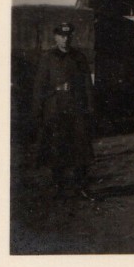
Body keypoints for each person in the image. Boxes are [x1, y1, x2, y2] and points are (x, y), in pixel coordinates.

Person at [32, 22, 95, 198]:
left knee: (80, 149)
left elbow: (87, 85)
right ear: (56, 37)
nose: (65, 39)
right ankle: (59, 188)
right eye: (61, 36)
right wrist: (38, 111)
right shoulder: (48, 58)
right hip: (56, 110)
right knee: (57, 149)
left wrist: (90, 107)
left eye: (68, 36)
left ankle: (81, 187)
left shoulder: (79, 57)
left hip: (76, 110)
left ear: (71, 37)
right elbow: (39, 86)